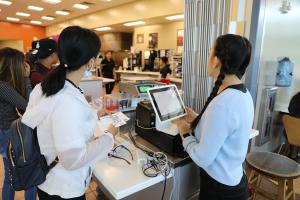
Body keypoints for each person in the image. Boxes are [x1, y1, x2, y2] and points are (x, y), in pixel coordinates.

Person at [22, 26, 116, 200]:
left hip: (47, 180)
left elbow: (56, 120)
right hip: (65, 188)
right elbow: (73, 159)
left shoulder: (46, 86)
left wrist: (93, 114)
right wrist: (109, 136)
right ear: (91, 62)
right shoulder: (67, 99)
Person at [175, 34, 253, 200]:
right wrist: (197, 118)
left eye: (210, 52)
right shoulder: (243, 94)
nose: (208, 58)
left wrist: (184, 132)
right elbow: (224, 129)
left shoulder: (223, 103)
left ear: (217, 60)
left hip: (220, 190)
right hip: (235, 180)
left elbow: (202, 158)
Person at [0, 47, 36, 200]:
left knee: (10, 177)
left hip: (5, 133)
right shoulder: (3, 87)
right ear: (12, 65)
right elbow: (30, 107)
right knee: (30, 173)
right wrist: (27, 79)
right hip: (9, 133)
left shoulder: (4, 85)